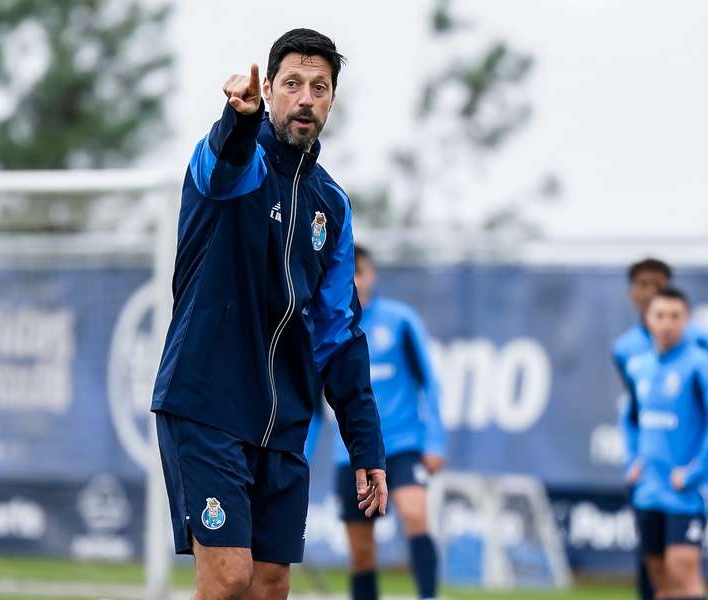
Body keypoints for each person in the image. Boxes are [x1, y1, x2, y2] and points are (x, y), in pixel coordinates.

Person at [150, 29, 387, 600]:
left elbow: (339, 332)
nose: (305, 97)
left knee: (269, 585)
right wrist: (236, 119)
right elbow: (221, 169)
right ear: (272, 90)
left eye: (319, 87)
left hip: (284, 424)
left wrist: (367, 445)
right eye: (292, 84)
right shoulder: (236, 161)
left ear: (331, 101)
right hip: (208, 402)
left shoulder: (332, 203)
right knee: (229, 578)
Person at [332, 245, 445, 600]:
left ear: (371, 275)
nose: (353, 280)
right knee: (361, 551)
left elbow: (431, 381)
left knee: (415, 515)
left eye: (359, 272)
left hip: (402, 446)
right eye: (345, 273)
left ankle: (428, 596)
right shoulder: (331, 326)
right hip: (351, 455)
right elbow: (320, 403)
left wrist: (435, 442)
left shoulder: (400, 320)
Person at [611, 258, 708, 600]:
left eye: (657, 285)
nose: (650, 293)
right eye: (642, 285)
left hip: (683, 484)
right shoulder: (629, 352)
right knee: (656, 576)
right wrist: (634, 458)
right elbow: (633, 411)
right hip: (649, 483)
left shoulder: (701, 348)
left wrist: (697, 468)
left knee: (683, 571)